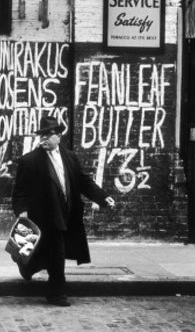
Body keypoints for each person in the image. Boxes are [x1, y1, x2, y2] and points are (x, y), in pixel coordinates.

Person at [12, 115, 115, 307]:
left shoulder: (70, 157)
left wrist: (102, 197)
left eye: (48, 135)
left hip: (67, 213)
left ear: (58, 136)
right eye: (41, 135)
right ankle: (57, 294)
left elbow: (84, 181)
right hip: (44, 215)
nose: (43, 139)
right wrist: (22, 212)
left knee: (48, 253)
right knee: (57, 254)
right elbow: (19, 192)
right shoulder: (30, 161)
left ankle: (27, 266)